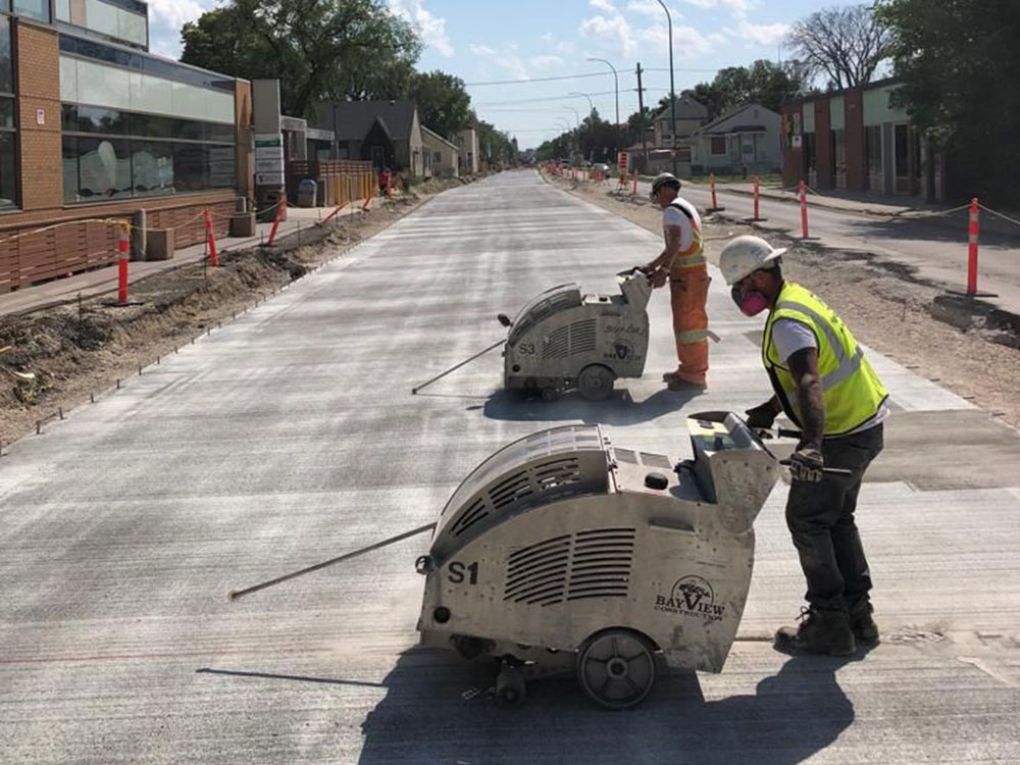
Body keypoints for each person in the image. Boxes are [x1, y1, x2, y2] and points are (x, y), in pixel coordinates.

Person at [719, 235, 890, 656]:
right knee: (837, 519)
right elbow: (806, 374)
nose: (740, 295)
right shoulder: (797, 300)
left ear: (761, 276)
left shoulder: (787, 323)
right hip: (866, 424)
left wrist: (812, 445)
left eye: (741, 286)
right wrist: (770, 408)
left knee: (808, 519)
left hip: (841, 433)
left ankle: (830, 623)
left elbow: (811, 380)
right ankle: (858, 618)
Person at [639, 172, 710, 390]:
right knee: (688, 325)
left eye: (657, 196)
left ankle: (694, 375)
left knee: (689, 327)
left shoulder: (671, 211)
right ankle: (688, 368)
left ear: (662, 191)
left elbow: (675, 243)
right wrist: (653, 266)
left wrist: (663, 270)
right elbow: (674, 247)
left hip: (687, 279)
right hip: (694, 277)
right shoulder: (684, 206)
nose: (658, 201)